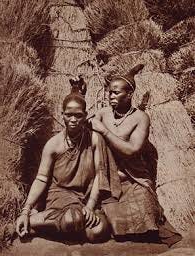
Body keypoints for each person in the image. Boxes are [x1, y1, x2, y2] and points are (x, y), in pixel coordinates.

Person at [91, 64, 182, 246]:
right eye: (110, 92)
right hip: (106, 180)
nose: (111, 96)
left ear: (130, 95)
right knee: (103, 222)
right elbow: (79, 125)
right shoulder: (102, 114)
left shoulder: (141, 118)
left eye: (116, 93)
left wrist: (105, 132)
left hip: (133, 179)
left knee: (147, 211)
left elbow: (132, 150)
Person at [15, 91, 111, 243]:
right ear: (62, 115)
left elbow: (100, 174)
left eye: (78, 115)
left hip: (87, 195)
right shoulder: (53, 144)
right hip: (60, 195)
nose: (73, 120)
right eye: (68, 115)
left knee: (98, 231)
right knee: (74, 219)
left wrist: (90, 206)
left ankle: (40, 226)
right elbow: (41, 179)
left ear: (85, 115)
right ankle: (32, 220)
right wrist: (26, 209)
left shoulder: (94, 139)